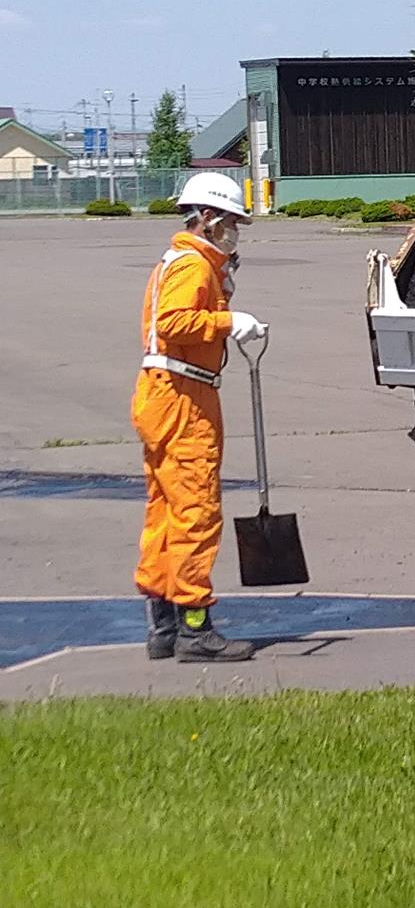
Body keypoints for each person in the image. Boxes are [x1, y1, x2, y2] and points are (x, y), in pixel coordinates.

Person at [133, 173, 267, 662]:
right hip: (185, 397)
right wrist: (231, 321)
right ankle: (195, 628)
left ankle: (162, 624)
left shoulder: (186, 261)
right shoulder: (192, 266)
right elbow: (174, 323)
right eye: (232, 221)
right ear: (209, 219)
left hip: (164, 394)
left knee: (164, 511)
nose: (236, 230)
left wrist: (224, 284)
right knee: (195, 512)